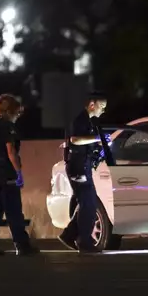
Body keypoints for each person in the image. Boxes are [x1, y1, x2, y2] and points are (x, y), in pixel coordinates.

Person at [0, 94, 40, 256]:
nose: (18, 117)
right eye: (17, 113)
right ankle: (22, 246)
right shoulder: (8, 127)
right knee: (13, 211)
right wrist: (18, 172)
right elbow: (10, 151)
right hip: (5, 173)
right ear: (11, 111)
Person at [57, 91, 109, 254]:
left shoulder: (89, 121)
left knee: (87, 203)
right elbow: (75, 140)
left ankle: (69, 235)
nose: (103, 111)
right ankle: (84, 241)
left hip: (83, 165)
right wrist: (97, 139)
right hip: (78, 166)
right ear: (92, 105)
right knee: (88, 204)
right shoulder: (80, 120)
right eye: (102, 107)